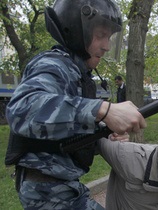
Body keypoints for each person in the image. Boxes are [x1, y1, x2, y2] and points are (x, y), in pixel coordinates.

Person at [4, 0, 146, 209]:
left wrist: (102, 132)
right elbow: (21, 110)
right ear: (77, 31)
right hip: (47, 193)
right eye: (100, 35)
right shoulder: (53, 64)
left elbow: (62, 129)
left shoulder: (78, 74)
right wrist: (102, 110)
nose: (107, 46)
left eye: (109, 37)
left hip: (64, 189)